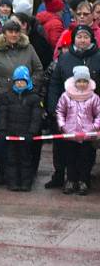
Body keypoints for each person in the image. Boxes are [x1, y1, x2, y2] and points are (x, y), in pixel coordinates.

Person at [0, 19, 43, 185]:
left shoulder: (29, 48)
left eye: (16, 31)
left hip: (24, 102)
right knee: (2, 140)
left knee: (24, 143)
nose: (13, 34)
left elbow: (39, 70)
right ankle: (3, 172)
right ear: (4, 33)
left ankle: (26, 174)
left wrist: (30, 87)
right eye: (10, 31)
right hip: (2, 101)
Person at [45, 24, 100, 189]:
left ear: (91, 39)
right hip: (68, 112)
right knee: (65, 147)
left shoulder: (98, 57)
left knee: (87, 149)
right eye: (79, 37)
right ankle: (65, 176)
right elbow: (55, 84)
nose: (82, 40)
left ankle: (84, 178)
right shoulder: (65, 58)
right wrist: (54, 108)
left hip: (91, 112)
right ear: (74, 39)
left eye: (85, 37)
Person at [0, 66, 41, 192]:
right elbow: (3, 114)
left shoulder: (34, 98)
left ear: (27, 82)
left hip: (26, 135)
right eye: (17, 81)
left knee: (26, 160)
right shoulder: (8, 96)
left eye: (22, 81)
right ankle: (13, 182)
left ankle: (26, 183)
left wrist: (32, 132)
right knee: (11, 159)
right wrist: (2, 130)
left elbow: (36, 117)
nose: (20, 83)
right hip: (11, 134)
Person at [57, 65, 100, 195]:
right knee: (70, 159)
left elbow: (98, 114)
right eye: (79, 81)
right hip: (70, 134)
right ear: (75, 81)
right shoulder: (66, 96)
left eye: (84, 81)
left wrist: (94, 127)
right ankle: (71, 180)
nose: (82, 84)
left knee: (86, 159)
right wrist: (63, 126)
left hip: (87, 135)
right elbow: (60, 111)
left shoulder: (94, 97)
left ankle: (84, 181)